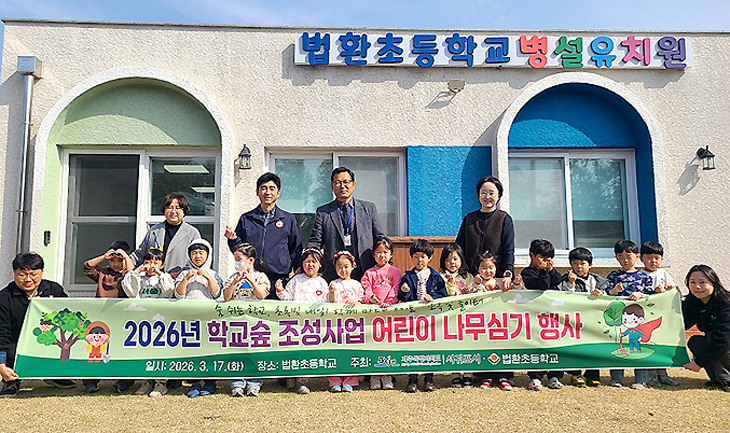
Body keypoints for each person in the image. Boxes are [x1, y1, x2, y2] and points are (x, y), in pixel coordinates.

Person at [0, 253, 76, 398]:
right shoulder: (4, 297)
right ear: (14, 273)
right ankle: (11, 382)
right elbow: (2, 333)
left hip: (49, 338)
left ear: (41, 272)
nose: (28, 279)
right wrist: (1, 366)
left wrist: (47, 305)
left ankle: (54, 375)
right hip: (17, 340)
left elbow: (68, 314)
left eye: (33, 274)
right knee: (10, 348)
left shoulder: (54, 290)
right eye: (22, 275)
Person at [224, 172, 302, 297]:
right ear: (257, 192)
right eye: (263, 188)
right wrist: (233, 239)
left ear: (278, 193)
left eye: (272, 188)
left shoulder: (288, 219)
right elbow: (239, 250)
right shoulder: (247, 219)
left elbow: (296, 248)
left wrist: (297, 269)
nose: (267, 192)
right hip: (252, 277)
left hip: (279, 279)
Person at [308, 167, 385, 282]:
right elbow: (315, 241)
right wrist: (308, 261)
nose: (342, 186)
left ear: (353, 184)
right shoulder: (323, 212)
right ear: (332, 186)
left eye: (346, 182)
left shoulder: (369, 208)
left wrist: (385, 263)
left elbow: (379, 238)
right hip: (335, 270)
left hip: (365, 269)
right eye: (337, 183)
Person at [82, 241, 136, 394]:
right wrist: (104, 257)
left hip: (122, 317)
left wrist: (126, 257)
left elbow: (133, 276)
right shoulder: (103, 273)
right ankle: (90, 381)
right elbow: (87, 267)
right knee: (96, 348)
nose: (116, 264)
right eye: (113, 260)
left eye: (119, 260)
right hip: (102, 315)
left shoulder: (128, 274)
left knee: (123, 348)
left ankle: (124, 381)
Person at [121, 249, 174, 397]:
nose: (152, 265)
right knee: (144, 350)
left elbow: (169, 292)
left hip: (160, 322)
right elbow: (130, 291)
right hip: (142, 320)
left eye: (156, 262)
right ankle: (146, 381)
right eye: (148, 262)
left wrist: (159, 274)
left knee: (160, 351)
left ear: (162, 265)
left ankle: (160, 383)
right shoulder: (139, 278)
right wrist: (137, 272)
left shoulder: (165, 277)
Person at [275, 247, 328, 394]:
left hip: (312, 326)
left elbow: (326, 303)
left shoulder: (322, 283)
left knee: (307, 352)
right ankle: (291, 376)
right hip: (295, 324)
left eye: (313, 262)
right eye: (307, 261)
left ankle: (302, 381)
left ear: (320, 264)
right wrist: (280, 290)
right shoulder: (295, 280)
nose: (310, 265)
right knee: (293, 350)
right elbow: (287, 298)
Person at [175, 239, 223, 398]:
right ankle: (194, 382)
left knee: (210, 348)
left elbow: (217, 294)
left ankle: (210, 382)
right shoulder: (184, 273)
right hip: (189, 317)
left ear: (208, 255)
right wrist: (186, 278)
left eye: (201, 253)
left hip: (209, 318)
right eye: (194, 253)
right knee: (191, 349)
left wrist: (208, 278)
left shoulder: (213, 273)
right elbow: (178, 294)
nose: (197, 256)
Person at [398, 239, 447, 392]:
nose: (419, 260)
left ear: (429, 258)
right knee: (412, 346)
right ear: (411, 258)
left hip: (430, 317)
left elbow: (443, 295)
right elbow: (402, 297)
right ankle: (412, 378)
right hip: (413, 318)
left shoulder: (436, 276)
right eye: (416, 257)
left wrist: (433, 297)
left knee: (429, 346)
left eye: (423, 257)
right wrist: (405, 291)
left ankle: (429, 378)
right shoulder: (408, 276)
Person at [222, 243, 270, 397]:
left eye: (239, 259)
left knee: (255, 353)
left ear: (250, 261)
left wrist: (251, 281)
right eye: (235, 259)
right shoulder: (232, 277)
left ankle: (254, 384)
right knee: (237, 352)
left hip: (255, 323)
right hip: (236, 322)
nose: (237, 263)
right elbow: (226, 297)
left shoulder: (260, 277)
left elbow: (261, 295)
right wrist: (234, 283)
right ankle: (237, 384)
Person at [606, 239, 654, 389]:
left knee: (639, 346)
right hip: (619, 319)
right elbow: (606, 296)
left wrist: (641, 295)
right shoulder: (613, 276)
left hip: (639, 319)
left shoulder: (644, 277)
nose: (625, 260)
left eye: (629, 256)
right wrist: (614, 291)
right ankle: (616, 378)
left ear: (637, 257)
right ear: (616, 257)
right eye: (621, 257)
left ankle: (641, 380)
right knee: (618, 344)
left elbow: (653, 297)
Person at [456, 176, 515, 290]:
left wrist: (508, 272)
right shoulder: (469, 219)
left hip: (495, 280)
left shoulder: (504, 219)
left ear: (498, 196)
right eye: (483, 193)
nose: (487, 197)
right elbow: (459, 248)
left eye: (491, 193)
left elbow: (508, 249)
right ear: (479, 195)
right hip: (470, 279)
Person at [559, 247, 607, 387]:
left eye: (582, 263)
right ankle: (576, 374)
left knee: (594, 346)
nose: (579, 267)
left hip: (593, 319)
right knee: (575, 346)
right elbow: (564, 297)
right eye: (575, 264)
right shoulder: (565, 279)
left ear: (590, 265)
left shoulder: (598, 280)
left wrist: (602, 294)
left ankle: (593, 375)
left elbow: (609, 294)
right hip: (574, 319)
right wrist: (571, 283)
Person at [521, 239, 564, 391]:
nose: (546, 261)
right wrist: (545, 272)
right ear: (532, 255)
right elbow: (542, 286)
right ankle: (535, 377)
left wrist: (551, 270)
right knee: (536, 345)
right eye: (542, 257)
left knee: (555, 344)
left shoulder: (550, 270)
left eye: (549, 258)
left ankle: (555, 376)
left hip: (552, 315)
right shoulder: (527, 272)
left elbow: (558, 281)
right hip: (535, 315)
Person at [361, 236, 401, 390]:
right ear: (373, 254)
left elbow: (396, 288)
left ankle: (387, 374)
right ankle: (374, 375)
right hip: (373, 314)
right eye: (378, 252)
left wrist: (389, 303)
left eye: (385, 252)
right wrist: (370, 299)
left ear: (391, 254)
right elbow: (366, 288)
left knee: (388, 344)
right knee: (373, 343)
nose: (382, 255)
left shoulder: (395, 271)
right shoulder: (369, 273)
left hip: (389, 313)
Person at [682, 264, 730, 393]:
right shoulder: (693, 302)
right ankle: (718, 379)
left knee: (717, 342)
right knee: (696, 341)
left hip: (726, 342)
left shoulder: (725, 304)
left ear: (713, 283)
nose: (697, 287)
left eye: (702, 282)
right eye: (693, 282)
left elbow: (723, 340)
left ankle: (727, 379)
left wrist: (698, 363)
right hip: (717, 340)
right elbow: (681, 323)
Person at [131, 193, 201, 278]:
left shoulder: (192, 233)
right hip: (154, 281)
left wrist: (182, 274)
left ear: (184, 211)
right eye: (169, 208)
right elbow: (139, 255)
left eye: (177, 208)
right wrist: (123, 259)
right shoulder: (154, 230)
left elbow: (197, 260)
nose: (173, 211)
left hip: (180, 281)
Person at [640, 241, 680, 388]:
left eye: (656, 258)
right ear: (641, 258)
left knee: (661, 344)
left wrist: (670, 289)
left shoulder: (664, 274)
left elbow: (674, 292)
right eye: (649, 258)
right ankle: (651, 376)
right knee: (648, 343)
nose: (653, 261)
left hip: (662, 315)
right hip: (646, 316)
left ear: (662, 259)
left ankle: (663, 374)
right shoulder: (639, 275)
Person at [327, 251, 364, 393]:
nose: (343, 270)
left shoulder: (357, 284)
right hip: (337, 323)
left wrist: (357, 303)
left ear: (353, 266)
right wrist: (331, 292)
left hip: (353, 324)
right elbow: (331, 302)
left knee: (352, 351)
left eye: (346, 266)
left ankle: (350, 380)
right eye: (339, 267)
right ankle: (335, 381)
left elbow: (362, 301)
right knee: (335, 351)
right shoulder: (333, 283)